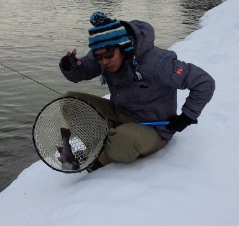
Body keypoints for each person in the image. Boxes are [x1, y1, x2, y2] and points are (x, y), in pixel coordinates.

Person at [59, 11, 215, 172]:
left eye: (109, 55)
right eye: (99, 57)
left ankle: (102, 157)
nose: (104, 61)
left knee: (124, 141)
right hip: (120, 114)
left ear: (124, 47)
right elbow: (83, 70)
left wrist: (186, 117)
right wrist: (70, 66)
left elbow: (204, 83)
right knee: (70, 101)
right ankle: (100, 145)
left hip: (153, 128)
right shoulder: (103, 53)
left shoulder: (158, 62)